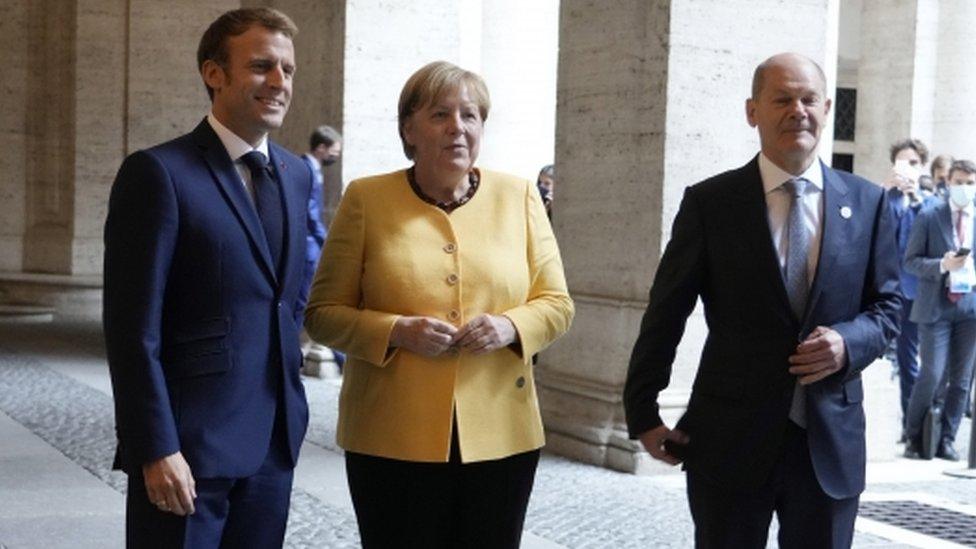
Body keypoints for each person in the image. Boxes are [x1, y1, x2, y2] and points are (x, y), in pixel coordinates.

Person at [624, 52, 901, 548]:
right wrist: (642, 411)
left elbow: (890, 308)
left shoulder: (868, 203)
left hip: (829, 443)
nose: (798, 110)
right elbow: (667, 311)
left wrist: (848, 342)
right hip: (729, 440)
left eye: (809, 99)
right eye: (782, 99)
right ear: (753, 111)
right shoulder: (710, 204)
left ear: (826, 107)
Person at [304, 60, 574, 548]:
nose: (458, 127)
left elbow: (556, 303)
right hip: (389, 436)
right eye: (440, 114)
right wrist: (395, 331)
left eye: (470, 116)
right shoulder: (366, 198)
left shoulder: (519, 197)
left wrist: (510, 327)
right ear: (409, 128)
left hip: (501, 434)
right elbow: (322, 313)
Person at [103, 8, 310, 547]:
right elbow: (131, 329)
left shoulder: (297, 174)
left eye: (288, 70)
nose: (280, 82)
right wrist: (155, 446)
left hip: (273, 445)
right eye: (262, 66)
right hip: (188, 450)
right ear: (214, 74)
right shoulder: (158, 173)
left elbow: (286, 297)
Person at [903, 159, 976, 462]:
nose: (964, 188)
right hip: (936, 305)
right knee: (931, 374)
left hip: (969, 308)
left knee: (961, 380)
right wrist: (942, 265)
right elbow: (911, 260)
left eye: (970, 183)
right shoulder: (930, 214)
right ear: (948, 183)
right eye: (958, 182)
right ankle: (914, 435)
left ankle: (947, 438)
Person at [885, 138, 934, 438]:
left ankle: (911, 426)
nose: (908, 168)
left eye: (913, 163)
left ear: (922, 167)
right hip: (885, 290)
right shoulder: (884, 198)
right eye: (902, 162)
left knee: (911, 361)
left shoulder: (928, 204)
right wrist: (887, 188)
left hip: (916, 293)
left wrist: (916, 200)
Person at [300, 125, 346, 373]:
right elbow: (310, 211)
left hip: (310, 246)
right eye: (334, 151)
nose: (335, 156)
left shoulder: (312, 168)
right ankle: (342, 359)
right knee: (317, 301)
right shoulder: (306, 168)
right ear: (321, 148)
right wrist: (324, 239)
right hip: (309, 247)